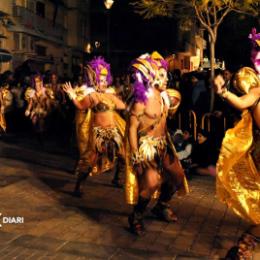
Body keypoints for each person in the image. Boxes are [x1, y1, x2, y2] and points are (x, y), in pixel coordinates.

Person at [126, 52, 189, 236]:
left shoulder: (165, 97)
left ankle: (161, 205)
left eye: (165, 74)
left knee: (177, 177)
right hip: (147, 148)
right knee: (151, 183)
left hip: (164, 145)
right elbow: (131, 128)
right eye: (161, 75)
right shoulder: (140, 101)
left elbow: (166, 120)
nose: (166, 79)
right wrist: (135, 154)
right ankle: (136, 215)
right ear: (150, 77)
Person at [213, 29, 260, 259]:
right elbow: (242, 102)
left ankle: (242, 248)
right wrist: (223, 93)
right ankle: (241, 248)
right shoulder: (257, 90)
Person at [63, 57, 126, 197]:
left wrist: (133, 96)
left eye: (105, 80)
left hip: (113, 132)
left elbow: (123, 106)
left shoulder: (110, 96)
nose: (103, 83)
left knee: (123, 155)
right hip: (98, 134)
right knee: (90, 161)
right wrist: (72, 95)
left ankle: (117, 178)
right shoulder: (91, 96)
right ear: (95, 81)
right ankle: (78, 186)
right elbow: (80, 106)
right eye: (101, 80)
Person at [24, 74, 54, 146]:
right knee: (34, 121)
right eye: (36, 81)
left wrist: (47, 111)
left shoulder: (46, 91)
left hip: (44, 111)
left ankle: (42, 140)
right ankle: (39, 137)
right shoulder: (31, 92)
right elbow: (31, 103)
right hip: (35, 110)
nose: (38, 83)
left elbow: (49, 104)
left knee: (41, 122)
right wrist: (28, 110)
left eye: (39, 81)